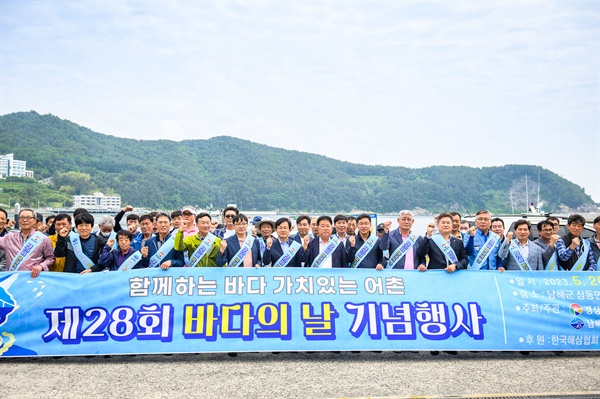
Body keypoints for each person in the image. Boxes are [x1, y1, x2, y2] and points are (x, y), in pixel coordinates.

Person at [0, 208, 54, 278]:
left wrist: (41, 266)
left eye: (28, 217)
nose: (25, 220)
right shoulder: (9, 237)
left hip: (33, 278)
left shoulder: (43, 239)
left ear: (34, 220)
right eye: (22, 217)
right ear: (18, 220)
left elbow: (50, 258)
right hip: (12, 279)